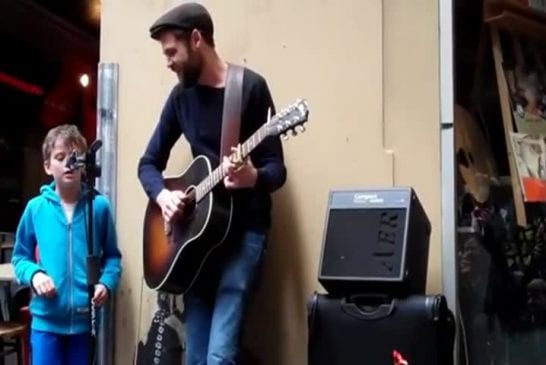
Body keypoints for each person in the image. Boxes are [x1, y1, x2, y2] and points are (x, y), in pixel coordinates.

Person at [138, 2, 286, 364]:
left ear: (197, 39)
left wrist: (253, 177)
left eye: (172, 51)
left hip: (244, 235)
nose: (168, 61)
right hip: (196, 242)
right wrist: (163, 197)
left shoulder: (249, 89)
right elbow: (148, 164)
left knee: (219, 357)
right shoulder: (180, 98)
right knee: (196, 358)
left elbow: (276, 168)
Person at [11, 124, 122, 365]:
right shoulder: (36, 209)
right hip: (46, 324)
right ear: (47, 166)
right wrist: (35, 275)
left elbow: (113, 257)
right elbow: (20, 258)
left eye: (75, 157)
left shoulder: (99, 207)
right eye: (60, 157)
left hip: (84, 324)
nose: (68, 163)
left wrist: (107, 283)